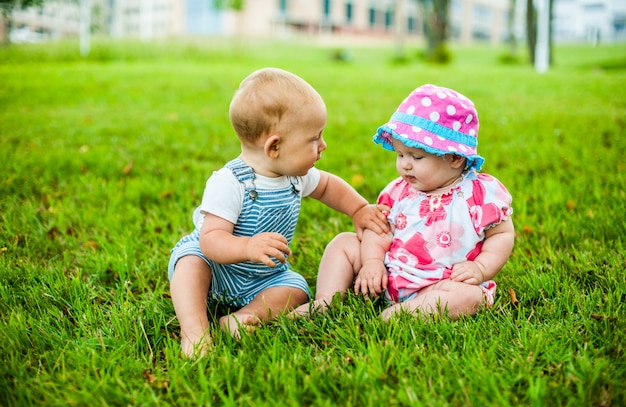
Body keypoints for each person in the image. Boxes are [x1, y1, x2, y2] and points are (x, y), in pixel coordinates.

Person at [168, 67, 390, 357]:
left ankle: (243, 317)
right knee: (190, 263)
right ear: (274, 146)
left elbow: (327, 187)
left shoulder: (294, 176)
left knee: (296, 288)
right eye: (314, 139)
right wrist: (247, 246)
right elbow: (211, 240)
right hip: (218, 269)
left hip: (265, 277)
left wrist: (359, 209)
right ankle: (195, 332)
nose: (323, 146)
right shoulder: (229, 182)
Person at [293, 84, 515, 321]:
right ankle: (325, 300)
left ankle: (410, 312)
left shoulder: (479, 193)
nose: (405, 165)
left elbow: (501, 234)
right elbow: (379, 230)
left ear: (454, 157)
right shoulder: (399, 191)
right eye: (400, 154)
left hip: (441, 283)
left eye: (416, 157)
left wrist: (480, 268)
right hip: (388, 274)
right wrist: (372, 262)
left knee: (471, 296)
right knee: (344, 243)